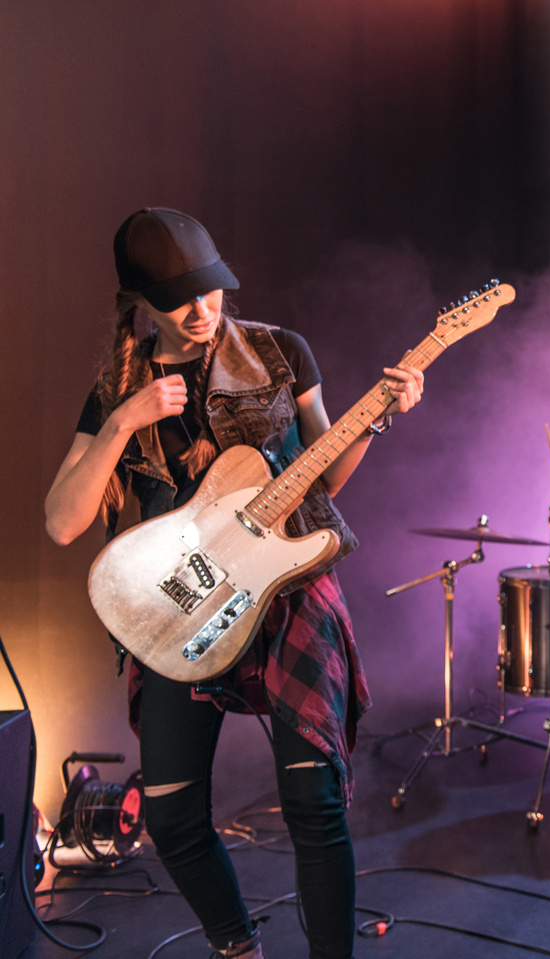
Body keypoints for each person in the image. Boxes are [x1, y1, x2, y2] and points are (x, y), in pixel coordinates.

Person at [44, 208, 423, 959]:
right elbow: (62, 521)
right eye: (180, 297)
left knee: (314, 803)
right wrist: (122, 423)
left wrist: (376, 418)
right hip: (177, 605)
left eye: (211, 290)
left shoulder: (281, 354)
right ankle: (236, 947)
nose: (201, 309)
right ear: (139, 302)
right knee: (173, 815)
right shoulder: (117, 387)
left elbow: (325, 484)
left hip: (285, 593)